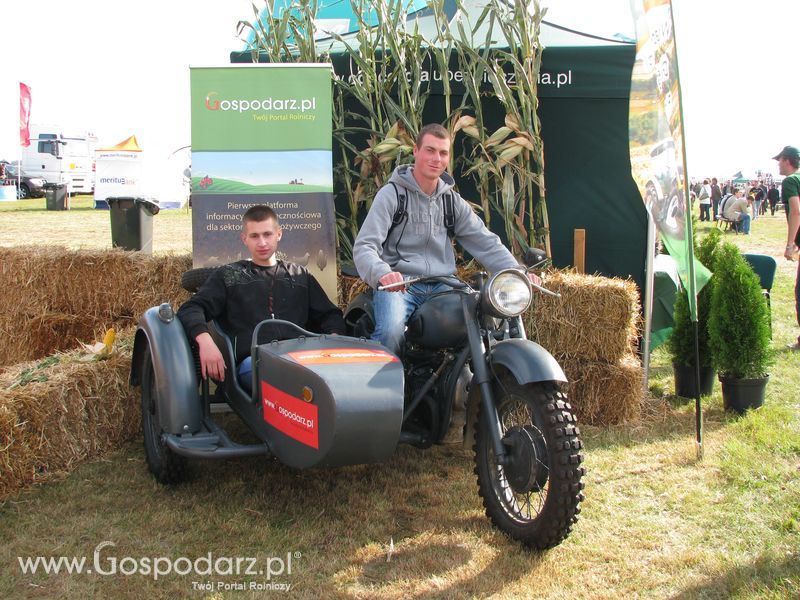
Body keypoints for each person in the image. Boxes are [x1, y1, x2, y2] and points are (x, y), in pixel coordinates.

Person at [353, 123, 541, 356]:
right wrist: (382, 273)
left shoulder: (451, 201)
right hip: (400, 286)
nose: (437, 159)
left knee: (487, 322)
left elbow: (485, 241)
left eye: (443, 153)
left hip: (444, 284)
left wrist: (516, 272)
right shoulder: (392, 195)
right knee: (390, 332)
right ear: (416, 151)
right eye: (430, 150)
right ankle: (385, 391)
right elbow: (364, 246)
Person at [177, 205, 346, 390]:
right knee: (286, 375)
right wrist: (205, 342)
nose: (262, 242)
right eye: (254, 236)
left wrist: (333, 340)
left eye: (267, 234)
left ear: (278, 234)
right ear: (244, 239)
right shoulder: (229, 275)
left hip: (301, 358)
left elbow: (330, 315)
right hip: (254, 363)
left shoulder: (300, 276)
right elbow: (191, 308)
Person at [773, 145, 800, 349]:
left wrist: (790, 244)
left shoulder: (790, 181)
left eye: (779, 160)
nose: (778, 165)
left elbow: (796, 211)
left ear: (787, 160)